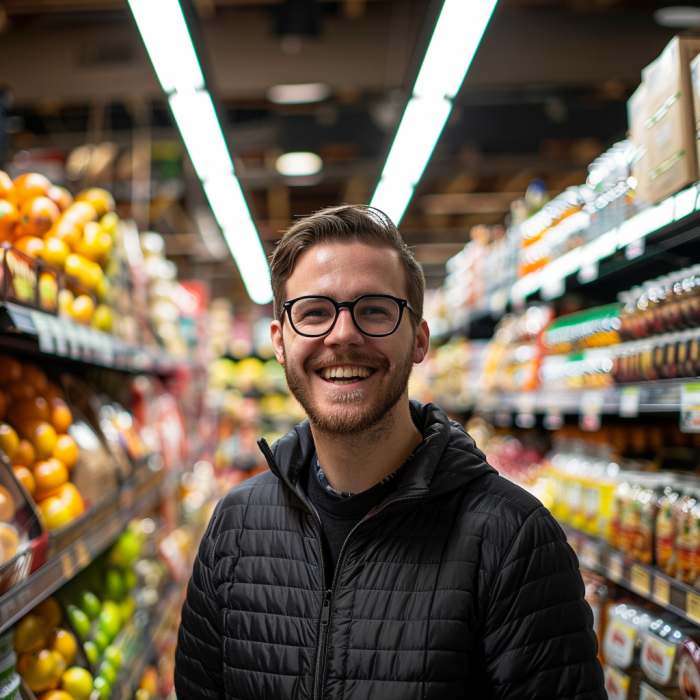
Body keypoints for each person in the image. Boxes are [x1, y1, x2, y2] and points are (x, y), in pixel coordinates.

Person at [174, 205, 605, 700]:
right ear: (280, 341)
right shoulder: (235, 526)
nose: (342, 334)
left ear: (419, 340)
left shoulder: (514, 540)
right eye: (314, 312)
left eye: (374, 309)